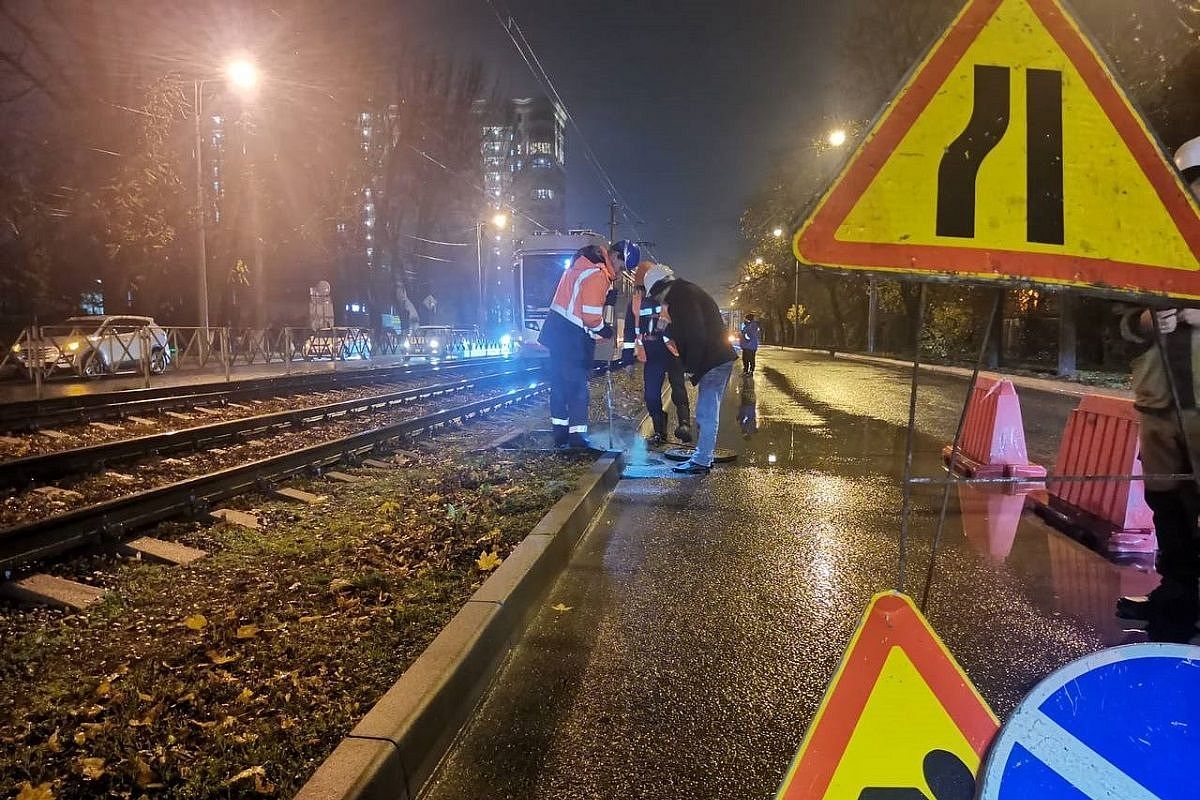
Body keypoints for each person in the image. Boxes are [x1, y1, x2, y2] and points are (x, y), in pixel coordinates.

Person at [1114, 135, 1200, 643]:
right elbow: (1111, 321)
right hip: (1160, 404)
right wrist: (1144, 321)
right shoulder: (1151, 245)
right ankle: (1177, 593)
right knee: (1167, 502)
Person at [642, 263, 736, 475]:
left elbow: (695, 334)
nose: (659, 302)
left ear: (660, 288)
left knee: (706, 411)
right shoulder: (685, 292)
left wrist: (690, 368)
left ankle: (702, 461)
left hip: (714, 359)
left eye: (657, 298)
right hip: (717, 357)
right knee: (708, 410)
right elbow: (687, 329)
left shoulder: (681, 297)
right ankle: (704, 456)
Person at [537, 243, 617, 449]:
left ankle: (560, 435)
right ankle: (578, 439)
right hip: (572, 338)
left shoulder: (578, 268)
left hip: (557, 333)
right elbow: (590, 318)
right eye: (623, 265)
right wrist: (605, 330)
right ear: (614, 257)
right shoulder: (597, 274)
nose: (621, 270)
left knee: (559, 387)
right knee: (578, 389)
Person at [616, 251, 693, 445]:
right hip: (652, 355)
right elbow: (629, 332)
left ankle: (684, 425)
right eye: (639, 286)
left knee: (678, 389)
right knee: (651, 396)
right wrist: (627, 359)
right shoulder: (635, 302)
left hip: (671, 350)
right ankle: (660, 428)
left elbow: (683, 324)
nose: (642, 290)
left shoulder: (668, 295)